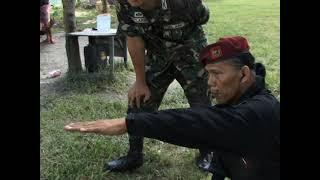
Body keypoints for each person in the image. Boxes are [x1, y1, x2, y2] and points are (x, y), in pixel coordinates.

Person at [65, 36, 280, 180]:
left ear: (243, 74)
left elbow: (197, 123)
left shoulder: (260, 111)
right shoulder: (241, 101)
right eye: (208, 74)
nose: (210, 83)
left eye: (217, 74)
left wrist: (129, 124)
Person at [104, 0, 213, 172]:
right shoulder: (125, 4)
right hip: (158, 57)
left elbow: (203, 17)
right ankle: (134, 155)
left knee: (202, 104)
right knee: (138, 100)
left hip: (190, 55)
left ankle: (207, 153)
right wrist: (139, 81)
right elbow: (133, 38)